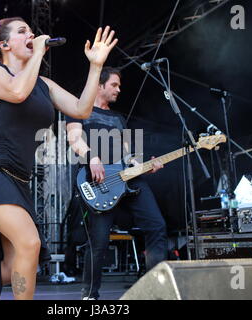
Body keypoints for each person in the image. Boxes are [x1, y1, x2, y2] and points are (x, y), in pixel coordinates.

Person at [0, 17, 117, 300]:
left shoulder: (44, 85)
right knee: (30, 242)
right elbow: (17, 92)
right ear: (4, 44)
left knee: (13, 264)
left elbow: (81, 109)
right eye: (22, 31)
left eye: (32, 31)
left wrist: (96, 66)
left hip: (18, 177)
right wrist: (38, 52)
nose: (32, 34)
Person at [66, 67, 168, 300]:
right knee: (99, 242)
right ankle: (90, 296)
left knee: (156, 226)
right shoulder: (79, 110)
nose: (119, 90)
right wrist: (91, 156)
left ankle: (157, 290)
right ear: (100, 85)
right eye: (114, 85)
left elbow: (127, 155)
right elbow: (74, 138)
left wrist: (144, 165)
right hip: (98, 181)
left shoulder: (119, 118)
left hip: (129, 180)